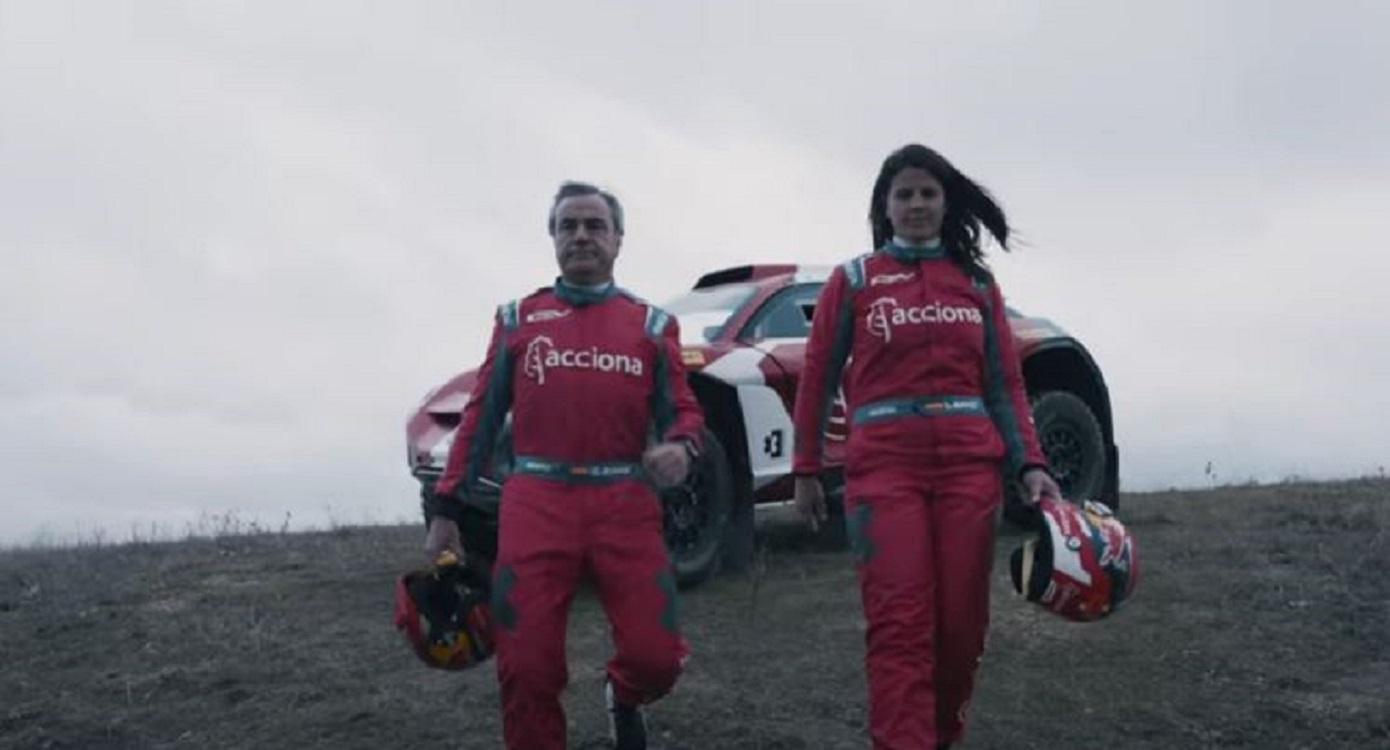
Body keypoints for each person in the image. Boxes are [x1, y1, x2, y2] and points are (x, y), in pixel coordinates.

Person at [791, 144, 1061, 749]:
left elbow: (1005, 385)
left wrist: (1030, 464)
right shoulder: (855, 280)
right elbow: (817, 373)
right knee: (900, 626)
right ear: (884, 207)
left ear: (945, 204)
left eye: (927, 193)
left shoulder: (977, 284)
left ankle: (941, 736)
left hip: (970, 471)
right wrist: (807, 469)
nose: (915, 204)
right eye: (904, 194)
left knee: (961, 629)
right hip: (884, 474)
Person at [423, 181, 704, 750]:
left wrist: (682, 447)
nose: (581, 236)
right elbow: (480, 417)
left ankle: (624, 695)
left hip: (624, 503)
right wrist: (446, 506)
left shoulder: (651, 326)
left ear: (618, 240)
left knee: (657, 659)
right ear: (552, 238)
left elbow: (686, 414)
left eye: (594, 226)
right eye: (567, 226)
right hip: (537, 502)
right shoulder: (518, 319)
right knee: (526, 668)